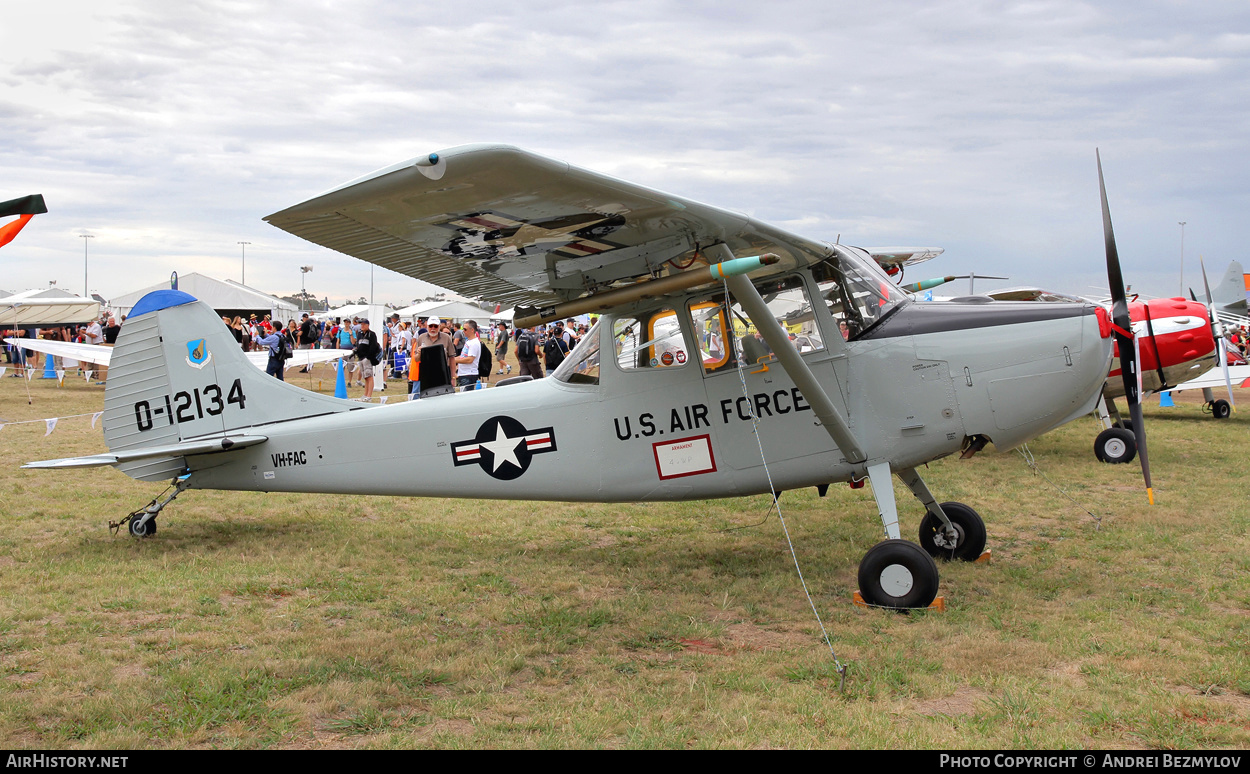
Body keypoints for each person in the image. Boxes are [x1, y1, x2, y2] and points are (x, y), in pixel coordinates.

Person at [410, 317, 455, 395]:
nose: (433, 328)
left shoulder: (446, 338)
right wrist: (419, 352)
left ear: (439, 326)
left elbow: (452, 358)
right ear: (427, 326)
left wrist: (453, 377)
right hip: (426, 373)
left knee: (443, 396)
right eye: (431, 326)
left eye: (435, 326)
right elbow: (416, 359)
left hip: (443, 373)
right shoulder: (421, 338)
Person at [454, 320, 482, 389]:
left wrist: (454, 361)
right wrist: (452, 359)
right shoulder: (469, 341)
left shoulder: (474, 343)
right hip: (464, 374)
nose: (463, 331)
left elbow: (470, 360)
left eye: (465, 329)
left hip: (469, 375)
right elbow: (463, 356)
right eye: (463, 329)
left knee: (466, 397)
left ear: (472, 330)